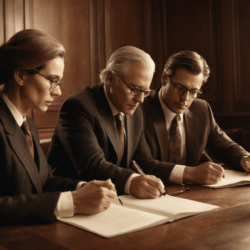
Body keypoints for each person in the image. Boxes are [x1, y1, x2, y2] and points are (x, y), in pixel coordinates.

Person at [0, 29, 117, 224]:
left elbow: (43, 181)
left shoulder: (28, 125)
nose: (58, 92)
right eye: (52, 80)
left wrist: (84, 188)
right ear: (20, 75)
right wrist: (73, 202)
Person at [47, 46, 171, 199]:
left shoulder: (136, 111)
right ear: (111, 78)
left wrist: (188, 173)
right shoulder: (78, 106)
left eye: (145, 91)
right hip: (74, 201)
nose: (140, 99)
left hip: (115, 199)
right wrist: (132, 182)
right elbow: (92, 166)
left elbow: (144, 161)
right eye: (135, 89)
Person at [142, 51, 250, 185]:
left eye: (194, 91)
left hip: (192, 195)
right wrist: (190, 173)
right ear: (164, 78)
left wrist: (244, 158)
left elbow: (225, 147)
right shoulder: (139, 110)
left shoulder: (202, 109)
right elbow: (144, 163)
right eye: (180, 87)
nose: (185, 98)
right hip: (150, 193)